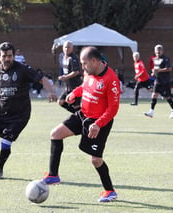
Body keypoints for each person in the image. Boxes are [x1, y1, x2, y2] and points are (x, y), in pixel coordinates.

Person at [41, 46, 120, 203]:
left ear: (94, 61)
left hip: (100, 123)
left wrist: (98, 124)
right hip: (83, 115)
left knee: (96, 160)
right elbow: (84, 86)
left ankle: (110, 191)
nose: (82, 67)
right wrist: (74, 93)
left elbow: (113, 108)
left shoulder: (111, 80)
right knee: (55, 134)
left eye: (84, 64)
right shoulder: (89, 72)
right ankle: (53, 175)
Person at [0, 42, 57, 180]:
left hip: (20, 115)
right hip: (1, 113)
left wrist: (51, 92)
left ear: (14, 56)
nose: (7, 59)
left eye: (10, 56)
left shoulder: (22, 69)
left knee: (6, 141)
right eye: (4, 56)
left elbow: (43, 79)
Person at [144, 44, 173, 118]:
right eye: (157, 50)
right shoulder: (155, 59)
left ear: (162, 51)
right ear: (155, 51)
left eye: (159, 50)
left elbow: (169, 68)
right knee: (154, 95)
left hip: (165, 81)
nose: (158, 52)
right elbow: (155, 69)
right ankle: (151, 112)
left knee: (167, 97)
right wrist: (153, 73)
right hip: (157, 80)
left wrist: (158, 70)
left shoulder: (165, 59)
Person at [58, 41, 82, 113]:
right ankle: (79, 116)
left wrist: (65, 77)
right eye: (65, 47)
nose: (66, 49)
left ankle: (81, 117)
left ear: (72, 48)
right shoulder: (63, 57)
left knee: (76, 106)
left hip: (76, 86)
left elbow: (76, 72)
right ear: (63, 48)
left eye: (68, 47)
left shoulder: (73, 58)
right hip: (68, 87)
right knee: (60, 101)